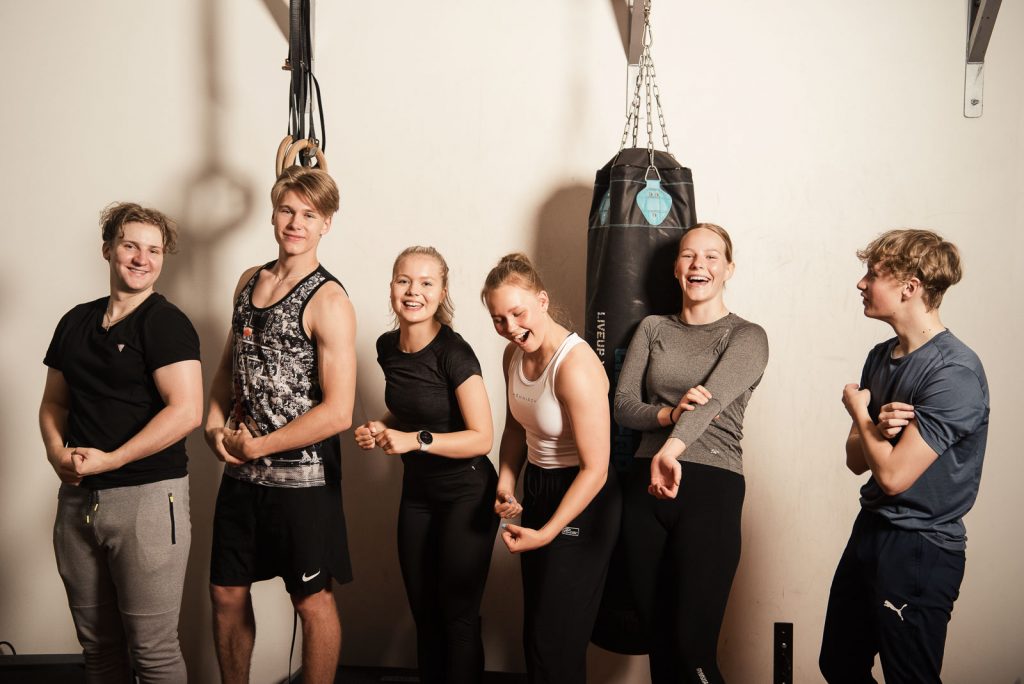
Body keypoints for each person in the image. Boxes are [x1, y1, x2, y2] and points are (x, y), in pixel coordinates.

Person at [205, 166, 357, 684]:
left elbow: (339, 412)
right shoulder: (249, 281)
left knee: (312, 600)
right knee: (226, 593)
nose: (296, 223)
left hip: (303, 482)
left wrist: (260, 446)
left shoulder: (329, 301)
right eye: (287, 210)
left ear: (326, 224)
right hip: (242, 477)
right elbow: (229, 366)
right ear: (273, 214)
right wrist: (212, 425)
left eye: (309, 215)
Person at [40, 202, 203, 682]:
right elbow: (54, 403)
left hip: (147, 499)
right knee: (98, 648)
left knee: (153, 651)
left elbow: (187, 411)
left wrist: (110, 460)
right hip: (77, 500)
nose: (141, 259)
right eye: (131, 245)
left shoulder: (165, 323)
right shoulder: (75, 321)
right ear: (108, 249)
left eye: (154, 250)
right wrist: (55, 453)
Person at [819, 229, 989, 684]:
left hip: (920, 547)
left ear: (909, 287)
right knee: (838, 664)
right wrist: (874, 429)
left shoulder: (953, 372)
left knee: (909, 678)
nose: (861, 284)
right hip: (870, 531)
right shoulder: (880, 356)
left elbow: (893, 476)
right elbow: (857, 459)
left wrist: (859, 412)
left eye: (873, 274)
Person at [613, 223, 769, 684]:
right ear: (676, 268)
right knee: (659, 643)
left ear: (729, 269)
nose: (699, 264)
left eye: (711, 256)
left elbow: (713, 401)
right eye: (688, 255)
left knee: (692, 648)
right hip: (646, 488)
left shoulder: (747, 336)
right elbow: (622, 405)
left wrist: (672, 449)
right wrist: (668, 414)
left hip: (709, 488)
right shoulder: (653, 328)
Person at [354, 246, 497, 684]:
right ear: (391, 287)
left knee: (457, 615)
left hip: (467, 494)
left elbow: (482, 437)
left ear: (442, 291)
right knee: (424, 612)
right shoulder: (387, 347)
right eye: (404, 281)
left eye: (426, 283)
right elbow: (412, 408)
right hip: (418, 495)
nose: (413, 291)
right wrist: (382, 426)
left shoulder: (454, 353)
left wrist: (414, 440)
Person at [482, 253, 621, 684]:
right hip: (539, 486)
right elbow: (515, 428)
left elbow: (596, 470)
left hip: (583, 496)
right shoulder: (513, 354)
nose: (510, 327)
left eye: (517, 313)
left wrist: (545, 533)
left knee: (555, 640)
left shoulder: (575, 366)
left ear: (542, 301)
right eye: (498, 319)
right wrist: (507, 484)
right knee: (538, 635)